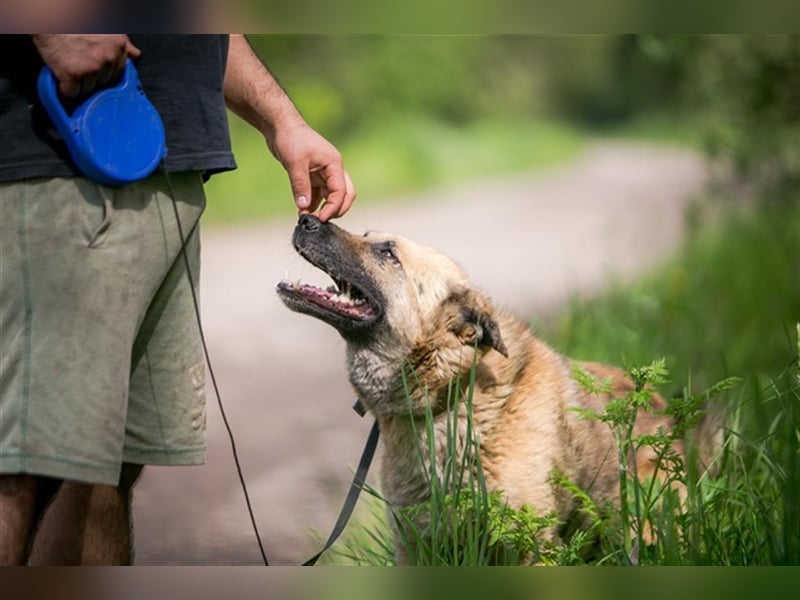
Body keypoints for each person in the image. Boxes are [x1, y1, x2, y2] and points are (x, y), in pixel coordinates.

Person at [0, 34, 356, 565]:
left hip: (165, 167)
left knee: (109, 467)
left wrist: (283, 120)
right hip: (66, 159)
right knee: (26, 464)